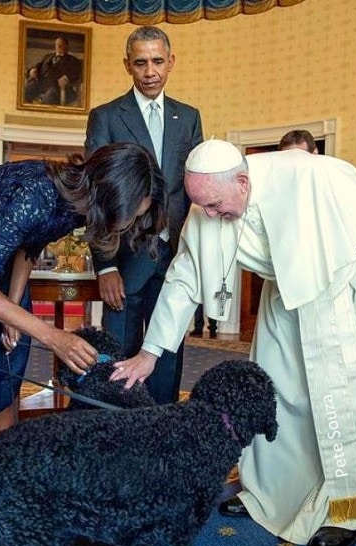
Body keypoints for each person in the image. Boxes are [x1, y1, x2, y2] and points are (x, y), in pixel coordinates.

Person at [109, 139, 356, 546]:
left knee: (335, 405)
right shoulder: (208, 203)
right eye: (204, 207)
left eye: (215, 205)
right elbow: (184, 278)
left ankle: (347, 508)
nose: (210, 216)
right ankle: (268, 494)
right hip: (284, 303)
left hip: (346, 301)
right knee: (279, 398)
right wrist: (151, 352)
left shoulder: (320, 177)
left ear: (243, 181)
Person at [0, 142, 166, 468]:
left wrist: (14, 309)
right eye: (132, 213)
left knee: (7, 364)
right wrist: (54, 336)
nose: (131, 223)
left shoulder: (73, 206)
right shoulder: (38, 193)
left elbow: (29, 245)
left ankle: (3, 469)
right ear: (112, 194)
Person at [85, 25, 203, 404]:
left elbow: (196, 189)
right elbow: (97, 194)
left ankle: (161, 430)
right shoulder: (105, 116)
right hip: (125, 258)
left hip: (176, 259)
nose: (149, 71)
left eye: (157, 61)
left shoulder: (189, 117)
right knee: (118, 353)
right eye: (140, 63)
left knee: (167, 351)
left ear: (171, 62)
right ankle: (118, 433)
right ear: (127, 66)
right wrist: (105, 265)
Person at [25, 36, 82, 106]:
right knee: (28, 88)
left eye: (61, 45)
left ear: (67, 47)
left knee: (49, 96)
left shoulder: (73, 60)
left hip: (57, 87)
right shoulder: (48, 56)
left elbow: (76, 74)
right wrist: (33, 70)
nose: (59, 47)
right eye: (57, 45)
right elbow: (38, 66)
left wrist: (66, 78)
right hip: (42, 84)